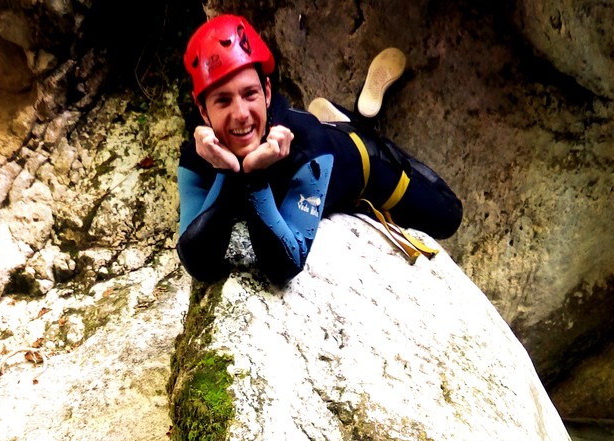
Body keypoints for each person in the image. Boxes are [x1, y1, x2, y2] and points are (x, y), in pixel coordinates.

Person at [177, 14, 462, 285]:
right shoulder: (197, 157)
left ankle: (358, 125)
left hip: (362, 164)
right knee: (328, 131)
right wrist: (231, 171)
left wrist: (254, 178)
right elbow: (199, 262)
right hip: (324, 140)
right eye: (223, 101)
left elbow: (284, 265)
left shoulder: (307, 146)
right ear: (202, 109)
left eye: (250, 94)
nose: (241, 114)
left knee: (449, 215)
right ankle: (348, 118)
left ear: (266, 91)